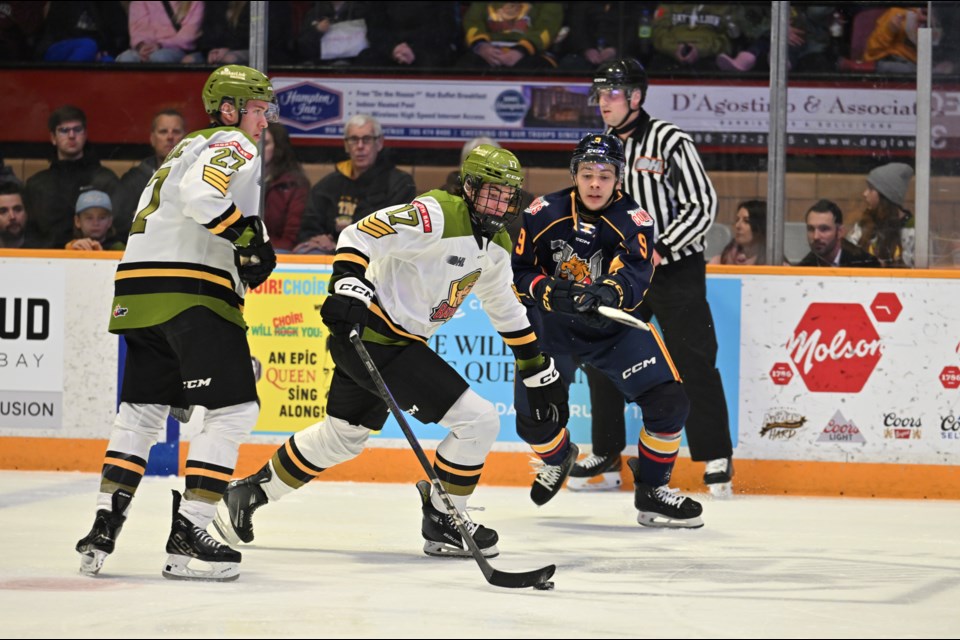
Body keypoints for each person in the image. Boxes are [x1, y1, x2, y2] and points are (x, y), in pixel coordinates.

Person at [213, 144, 568, 558]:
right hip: (379, 338)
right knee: (479, 421)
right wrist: (347, 281)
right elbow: (359, 233)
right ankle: (444, 518)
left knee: (342, 437)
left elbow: (504, 307)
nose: (501, 202)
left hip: (381, 344)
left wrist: (534, 365)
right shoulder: (436, 213)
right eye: (492, 191)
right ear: (469, 187)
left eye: (508, 194)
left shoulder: (498, 244)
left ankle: (249, 493)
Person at [74, 64, 279, 582]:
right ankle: (191, 529)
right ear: (230, 109)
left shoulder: (183, 149)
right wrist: (249, 241)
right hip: (189, 294)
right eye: (258, 109)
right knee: (234, 409)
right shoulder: (233, 142)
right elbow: (205, 199)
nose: (264, 121)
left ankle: (104, 525)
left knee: (141, 412)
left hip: (138, 295)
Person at [512, 133, 702, 526]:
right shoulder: (541, 212)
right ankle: (558, 455)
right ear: (574, 175)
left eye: (605, 174)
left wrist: (608, 293)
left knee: (669, 403)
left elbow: (636, 273)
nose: (595, 183)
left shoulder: (636, 221)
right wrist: (546, 290)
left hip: (610, 329)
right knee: (533, 421)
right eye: (587, 174)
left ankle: (651, 492)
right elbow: (520, 272)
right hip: (551, 329)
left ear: (619, 179)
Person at [587, 58, 734, 497]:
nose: (603, 103)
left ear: (636, 97)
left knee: (692, 359)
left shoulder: (669, 140)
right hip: (626, 269)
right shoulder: (600, 146)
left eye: (611, 94)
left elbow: (702, 205)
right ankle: (608, 454)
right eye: (599, 95)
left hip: (674, 268)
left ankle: (716, 457)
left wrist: (661, 247)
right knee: (601, 348)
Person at [294, 114, 416, 254]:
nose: (360, 146)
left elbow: (397, 234)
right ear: (346, 145)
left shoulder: (399, 183)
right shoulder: (327, 185)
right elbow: (308, 228)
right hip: (330, 255)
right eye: (353, 139)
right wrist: (317, 239)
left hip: (377, 258)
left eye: (367, 139)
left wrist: (340, 244)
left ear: (379, 143)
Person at [24, 105, 119, 249]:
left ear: (85, 135)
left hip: (100, 258)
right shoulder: (37, 185)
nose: (71, 135)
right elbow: (29, 236)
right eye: (64, 130)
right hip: (49, 261)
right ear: (53, 138)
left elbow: (120, 228)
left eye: (77, 129)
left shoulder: (106, 180)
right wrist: (67, 248)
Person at [113, 109, 187, 239]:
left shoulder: (196, 176)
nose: (170, 137)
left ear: (186, 138)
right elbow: (118, 222)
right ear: (152, 139)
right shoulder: (134, 179)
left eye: (176, 132)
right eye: (163, 131)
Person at [457, 2, 563, 70]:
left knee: (534, 69)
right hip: (489, 50)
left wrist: (521, 50)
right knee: (465, 66)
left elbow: (547, 28)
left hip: (532, 53)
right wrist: (481, 46)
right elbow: (472, 22)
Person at [847, 162, 915, 268]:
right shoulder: (863, 226)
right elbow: (848, 261)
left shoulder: (913, 232)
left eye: (870, 188)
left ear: (886, 195)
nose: (865, 194)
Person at [263, 122, 309, 252]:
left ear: (278, 148)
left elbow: (290, 240)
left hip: (278, 252)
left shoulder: (295, 184)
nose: (257, 148)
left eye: (265, 144)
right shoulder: (242, 179)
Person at [796, 199, 881, 268]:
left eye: (824, 229)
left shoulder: (865, 265)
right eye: (811, 229)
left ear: (840, 232)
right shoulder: (804, 267)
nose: (815, 236)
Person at [114, 1, 204, 63]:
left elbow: (188, 35)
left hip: (176, 47)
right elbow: (139, 28)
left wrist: (160, 45)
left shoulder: (194, 3)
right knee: (126, 58)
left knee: (159, 58)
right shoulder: (140, 3)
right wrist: (142, 46)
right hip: (148, 47)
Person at [708, 200, 767, 265]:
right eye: (737, 220)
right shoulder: (720, 261)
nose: (737, 225)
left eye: (746, 221)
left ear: (760, 226)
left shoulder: (771, 261)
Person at [0, 183, 31, 249]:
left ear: (27, 213)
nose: (12, 217)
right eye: (3, 211)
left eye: (18, 209)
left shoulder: (43, 247)